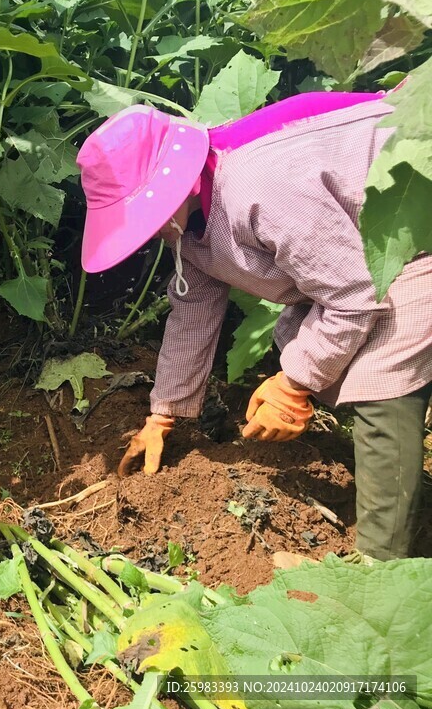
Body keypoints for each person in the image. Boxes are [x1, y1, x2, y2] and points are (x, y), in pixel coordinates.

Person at [76, 93, 432, 563]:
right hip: (368, 256)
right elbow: (193, 310)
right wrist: (164, 413)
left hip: (412, 243)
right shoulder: (192, 216)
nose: (149, 230)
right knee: (299, 339)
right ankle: (406, 493)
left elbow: (352, 296)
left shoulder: (257, 187)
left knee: (378, 378)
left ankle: (381, 568)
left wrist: (293, 384)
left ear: (173, 185)